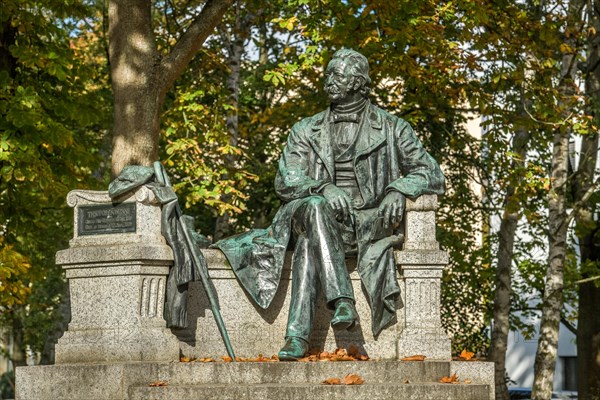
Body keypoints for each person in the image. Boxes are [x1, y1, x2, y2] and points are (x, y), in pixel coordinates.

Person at [213, 48, 445, 360]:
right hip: (303, 214)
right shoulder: (305, 129)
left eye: (337, 75)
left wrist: (399, 188)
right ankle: (343, 299)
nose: (328, 81)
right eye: (328, 74)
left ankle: (297, 337)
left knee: (310, 243)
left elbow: (431, 173)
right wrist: (323, 187)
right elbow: (286, 180)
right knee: (315, 206)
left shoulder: (392, 128)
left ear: (358, 82)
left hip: (360, 226)